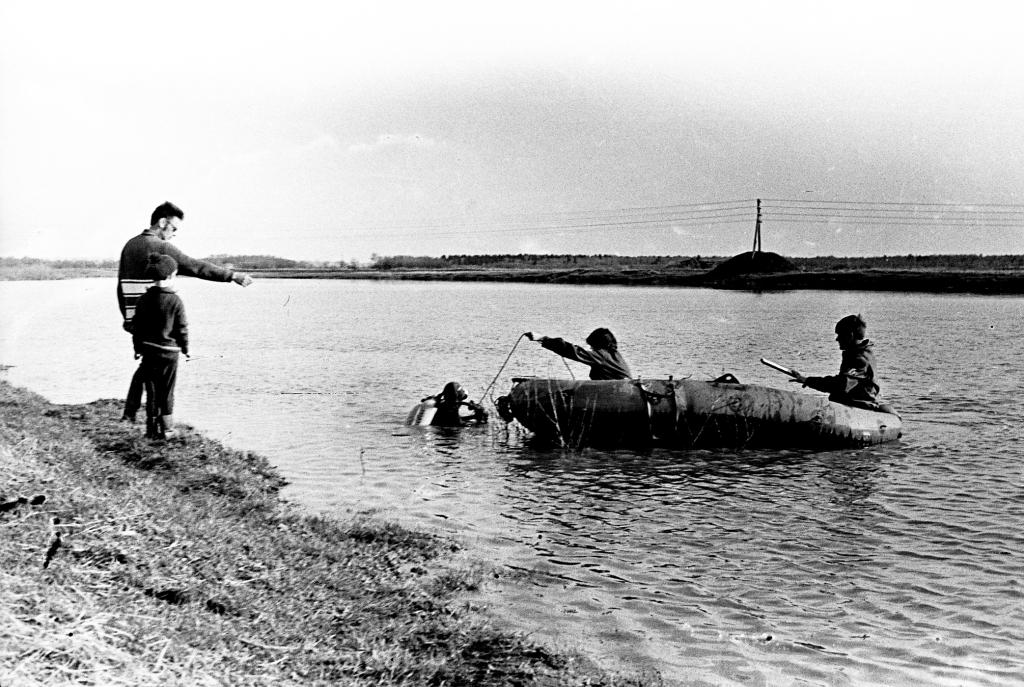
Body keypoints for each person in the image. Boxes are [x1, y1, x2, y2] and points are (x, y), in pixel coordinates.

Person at [117, 201, 253, 422]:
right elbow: (195, 266)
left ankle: (131, 414)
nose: (173, 235)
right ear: (162, 222)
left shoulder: (129, 245)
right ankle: (160, 423)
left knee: (145, 368)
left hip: (137, 320)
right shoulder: (161, 248)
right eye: (173, 229)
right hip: (157, 323)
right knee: (158, 375)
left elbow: (120, 285)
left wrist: (127, 319)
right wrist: (232, 276)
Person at [131, 254, 188, 439]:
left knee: (152, 390)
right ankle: (167, 429)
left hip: (149, 350)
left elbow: (136, 328)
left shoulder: (143, 299)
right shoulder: (176, 301)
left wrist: (137, 348)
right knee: (167, 390)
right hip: (170, 353)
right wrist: (186, 348)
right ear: (171, 276)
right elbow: (182, 329)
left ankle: (151, 429)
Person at [789, 314, 881, 407]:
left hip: (860, 407)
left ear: (850, 335)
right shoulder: (859, 354)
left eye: (840, 335)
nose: (837, 339)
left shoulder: (860, 360)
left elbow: (841, 384)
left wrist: (808, 380)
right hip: (852, 404)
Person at [525, 328, 632, 380]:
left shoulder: (602, 356)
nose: (591, 349)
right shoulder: (615, 354)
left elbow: (572, 351)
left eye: (592, 346)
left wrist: (543, 339)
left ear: (598, 344)